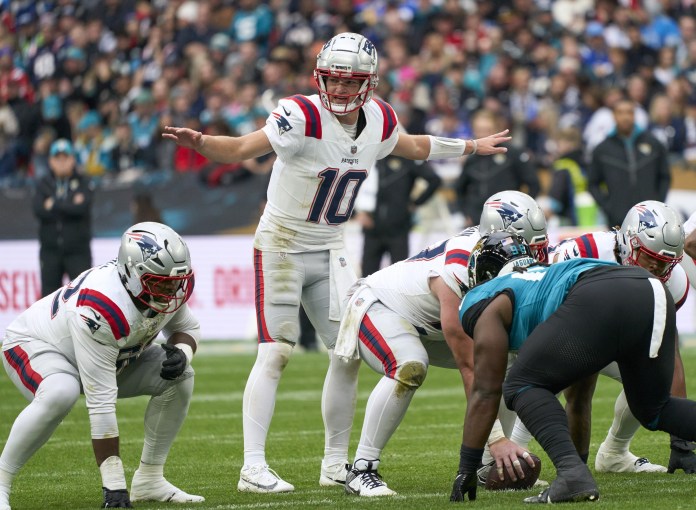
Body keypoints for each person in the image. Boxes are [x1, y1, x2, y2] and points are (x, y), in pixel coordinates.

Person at [162, 32, 511, 493]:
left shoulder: (379, 119)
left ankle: (334, 463)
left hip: (331, 246)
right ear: (319, 77)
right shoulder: (300, 113)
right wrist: (202, 141)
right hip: (282, 242)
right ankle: (252, 467)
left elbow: (415, 146)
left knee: (345, 354)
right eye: (333, 80)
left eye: (352, 82)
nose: (341, 90)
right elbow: (245, 148)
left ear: (370, 83)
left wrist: (467, 146)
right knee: (276, 352)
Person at [334, 193, 547, 496]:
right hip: (380, 305)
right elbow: (470, 366)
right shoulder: (459, 267)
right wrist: (496, 437)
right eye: (524, 244)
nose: (532, 255)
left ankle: (491, 466)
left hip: (428, 324)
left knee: (509, 361)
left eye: (535, 244)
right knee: (410, 365)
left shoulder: (503, 257)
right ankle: (362, 468)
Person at [452, 250, 696, 503]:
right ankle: (575, 473)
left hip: (599, 295)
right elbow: (578, 398)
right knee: (653, 409)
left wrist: (466, 468)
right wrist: (579, 464)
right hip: (652, 290)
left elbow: (486, 390)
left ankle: (572, 476)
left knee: (520, 384)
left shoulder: (481, 299)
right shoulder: (549, 284)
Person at [0, 222, 204, 509]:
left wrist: (183, 352)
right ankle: (1, 481)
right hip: (37, 345)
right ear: (132, 273)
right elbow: (101, 403)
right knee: (62, 391)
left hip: (111, 355)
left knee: (181, 376)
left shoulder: (170, 283)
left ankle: (150, 479)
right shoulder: (101, 306)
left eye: (174, 282)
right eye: (161, 283)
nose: (171, 290)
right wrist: (114, 486)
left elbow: (189, 327)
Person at [529, 201, 693, 475]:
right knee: (546, 382)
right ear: (629, 243)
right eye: (649, 258)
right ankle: (507, 452)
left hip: (620, 340)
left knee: (653, 376)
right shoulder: (586, 251)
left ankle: (614, 454)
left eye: (664, 264)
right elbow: (545, 299)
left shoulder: (673, 282)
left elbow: (670, 354)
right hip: (565, 328)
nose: (655, 269)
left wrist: (681, 445)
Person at [588, 97, 671, 228]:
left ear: (634, 115)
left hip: (650, 218)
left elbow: (664, 177)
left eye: (629, 112)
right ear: (614, 116)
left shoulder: (653, 144)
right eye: (620, 112)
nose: (625, 117)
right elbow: (593, 183)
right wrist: (609, 208)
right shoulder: (602, 149)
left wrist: (657, 203)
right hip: (617, 221)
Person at [355, 155, 442, 276]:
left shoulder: (409, 158)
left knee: (399, 277)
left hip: (398, 226)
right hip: (372, 226)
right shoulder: (372, 155)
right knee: (367, 277)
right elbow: (351, 182)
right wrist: (357, 212)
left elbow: (434, 180)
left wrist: (416, 202)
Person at [453, 109, 540, 227]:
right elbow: (459, 188)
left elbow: (533, 184)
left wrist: (523, 212)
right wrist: (466, 213)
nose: (483, 135)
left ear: (495, 129)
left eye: (487, 130)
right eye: (479, 130)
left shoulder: (512, 153)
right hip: (477, 222)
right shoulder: (471, 159)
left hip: (509, 221)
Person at [32, 139, 94, 297]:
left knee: (82, 296)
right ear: (50, 161)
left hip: (77, 251)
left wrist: (53, 204)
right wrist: (69, 203)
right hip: (50, 251)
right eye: (57, 158)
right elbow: (38, 210)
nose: (61, 162)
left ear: (72, 159)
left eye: (65, 158)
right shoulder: (43, 183)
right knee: (48, 299)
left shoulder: (83, 181)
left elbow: (81, 208)